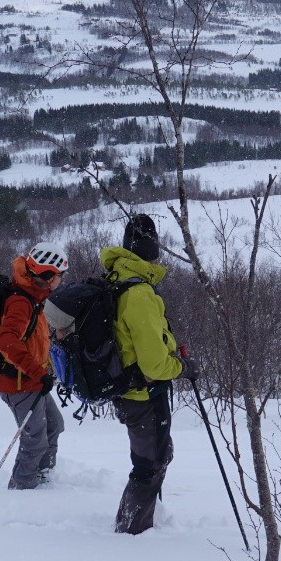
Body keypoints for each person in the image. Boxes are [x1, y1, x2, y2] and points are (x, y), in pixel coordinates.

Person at [102, 213, 193, 534]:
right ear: (153, 253)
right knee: (148, 465)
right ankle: (131, 532)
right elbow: (154, 364)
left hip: (128, 390)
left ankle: (140, 521)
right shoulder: (139, 293)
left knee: (156, 455)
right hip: (144, 394)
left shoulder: (117, 280)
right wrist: (183, 368)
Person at [0, 242, 69, 490]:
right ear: (47, 277)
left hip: (32, 380)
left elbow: (33, 340)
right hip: (18, 383)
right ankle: (22, 489)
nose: (60, 281)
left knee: (54, 425)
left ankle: (43, 476)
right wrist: (37, 371)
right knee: (34, 439)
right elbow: (6, 342)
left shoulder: (33, 297)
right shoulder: (21, 302)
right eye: (59, 276)